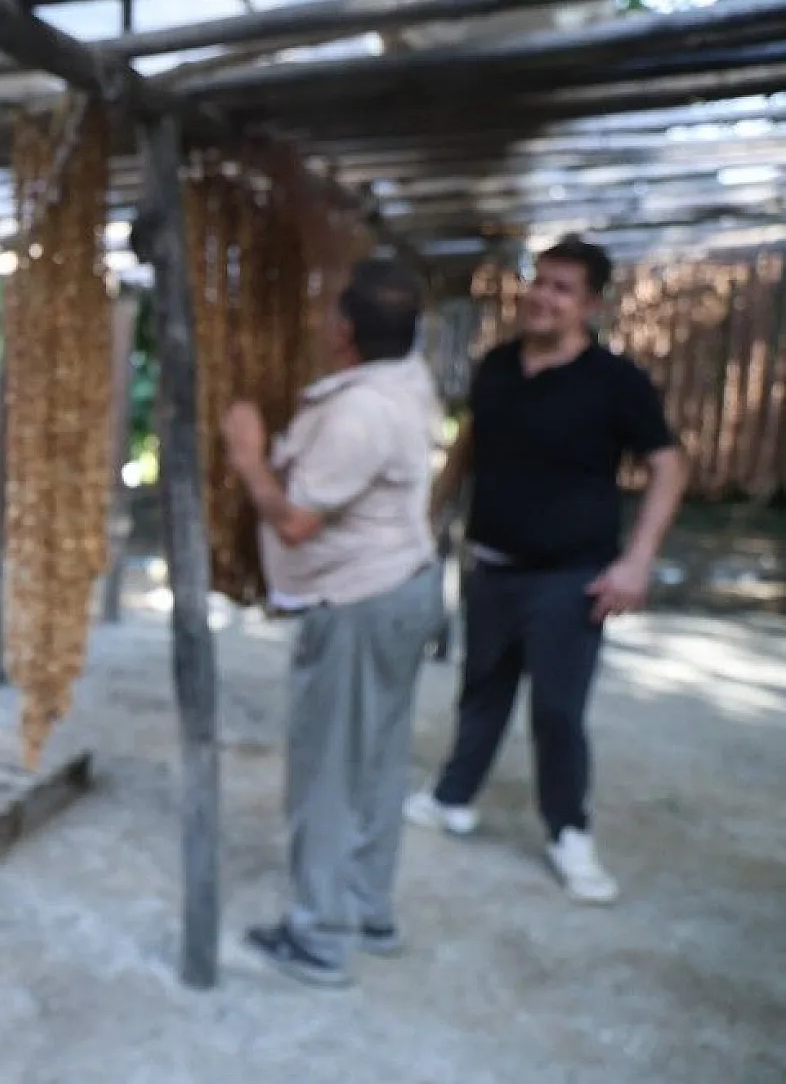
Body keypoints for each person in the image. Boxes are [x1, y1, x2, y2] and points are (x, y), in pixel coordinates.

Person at [405, 236, 687, 904]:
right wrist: (428, 516)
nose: (544, 297)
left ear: (590, 305)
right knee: (481, 689)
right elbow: (472, 442)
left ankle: (569, 831)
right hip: (490, 565)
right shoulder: (499, 364)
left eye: (563, 288)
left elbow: (670, 466)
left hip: (570, 578)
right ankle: (452, 796)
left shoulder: (614, 382)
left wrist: (637, 560)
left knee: (557, 710)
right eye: (540, 281)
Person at [222, 258, 444, 988]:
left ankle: (317, 936)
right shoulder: (406, 378)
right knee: (377, 759)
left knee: (326, 771)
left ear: (344, 330)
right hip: (401, 587)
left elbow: (294, 522)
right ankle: (368, 909)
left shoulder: (359, 413)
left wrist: (248, 458)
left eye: (329, 311)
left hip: (359, 603)